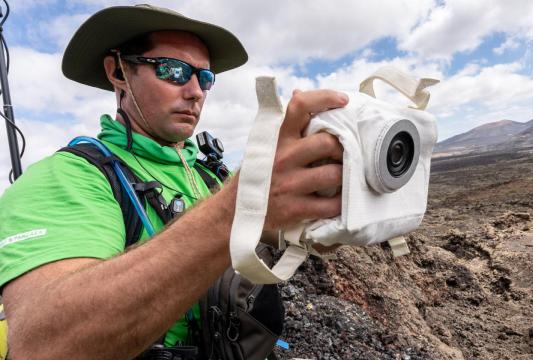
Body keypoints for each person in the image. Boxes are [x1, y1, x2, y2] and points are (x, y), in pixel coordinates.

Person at [0, 4, 345, 359]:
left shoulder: (213, 175)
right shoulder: (69, 177)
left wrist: (321, 215)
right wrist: (241, 203)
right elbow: (43, 346)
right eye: (174, 70)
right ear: (118, 72)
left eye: (205, 77)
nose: (196, 91)